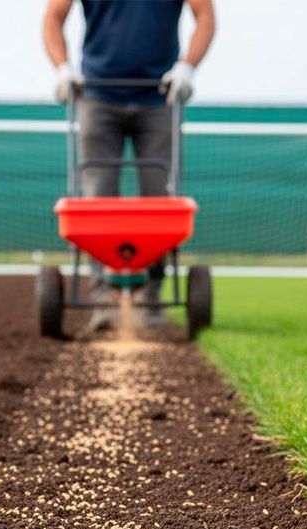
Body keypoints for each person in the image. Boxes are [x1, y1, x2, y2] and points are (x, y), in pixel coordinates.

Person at [43, 0, 216, 330]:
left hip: (160, 95)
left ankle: (150, 296)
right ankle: (103, 298)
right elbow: (53, 16)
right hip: (97, 95)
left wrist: (187, 67)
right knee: (96, 197)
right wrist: (62, 68)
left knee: (160, 199)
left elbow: (205, 15)